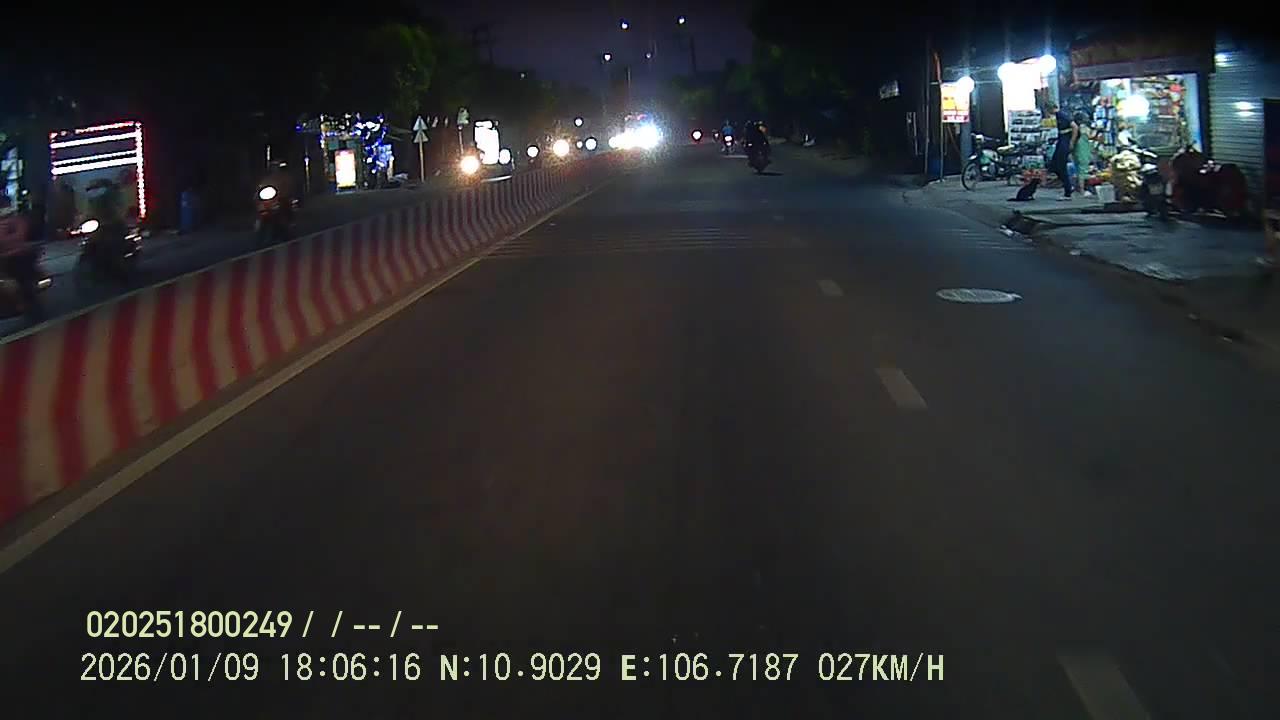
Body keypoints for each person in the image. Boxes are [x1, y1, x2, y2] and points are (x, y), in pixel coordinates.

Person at [1047, 102, 1078, 200]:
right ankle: (1067, 186)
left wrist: (1072, 142)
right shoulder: (1059, 115)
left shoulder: (1062, 115)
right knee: (1054, 166)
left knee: (1060, 166)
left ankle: (1068, 189)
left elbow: (1075, 127)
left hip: (1064, 143)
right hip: (1061, 141)